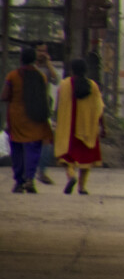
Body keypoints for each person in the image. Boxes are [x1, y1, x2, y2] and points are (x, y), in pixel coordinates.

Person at [2, 46, 54, 193]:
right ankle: (30, 178)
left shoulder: (12, 76)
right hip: (35, 118)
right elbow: (43, 98)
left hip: (17, 118)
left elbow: (5, 96)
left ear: (21, 59)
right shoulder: (41, 77)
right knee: (33, 149)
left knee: (17, 149)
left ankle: (19, 182)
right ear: (34, 60)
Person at [52, 58, 104, 196]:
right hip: (88, 129)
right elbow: (99, 108)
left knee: (67, 157)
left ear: (72, 70)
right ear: (86, 70)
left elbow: (58, 106)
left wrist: (55, 121)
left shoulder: (64, 84)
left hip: (68, 129)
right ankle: (82, 187)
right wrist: (103, 127)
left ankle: (71, 176)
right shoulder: (93, 86)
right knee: (86, 159)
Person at [32, 43, 60, 185]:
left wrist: (48, 63)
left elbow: (56, 81)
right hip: (29, 109)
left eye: (45, 51)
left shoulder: (47, 69)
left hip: (44, 109)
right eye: (40, 50)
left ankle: (41, 171)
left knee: (47, 142)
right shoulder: (30, 67)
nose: (42, 53)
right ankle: (30, 175)